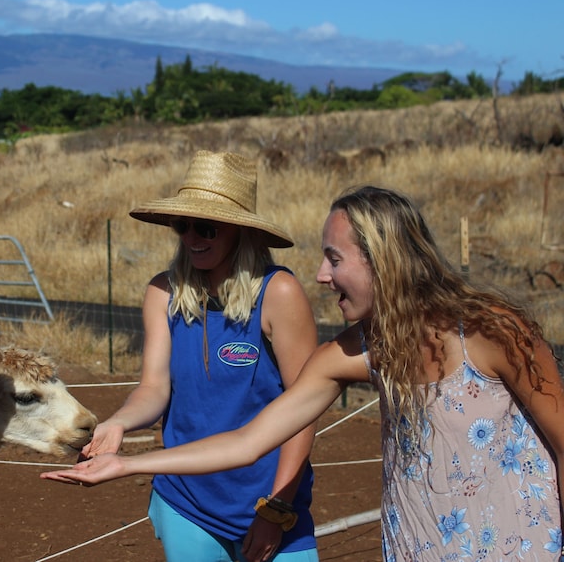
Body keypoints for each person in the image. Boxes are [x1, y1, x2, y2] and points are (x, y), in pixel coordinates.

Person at [44, 185, 564, 561]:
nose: (319, 275)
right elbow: (248, 441)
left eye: (334, 259)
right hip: (417, 546)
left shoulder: (496, 332)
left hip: (518, 547)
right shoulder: (356, 352)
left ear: (383, 260)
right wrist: (128, 465)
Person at [76, 150, 320, 562]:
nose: (192, 238)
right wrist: (118, 422)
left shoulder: (278, 293)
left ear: (241, 231)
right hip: (186, 500)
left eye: (206, 227)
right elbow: (154, 389)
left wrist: (276, 511)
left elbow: (306, 408)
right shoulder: (162, 292)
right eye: (182, 225)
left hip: (270, 497)